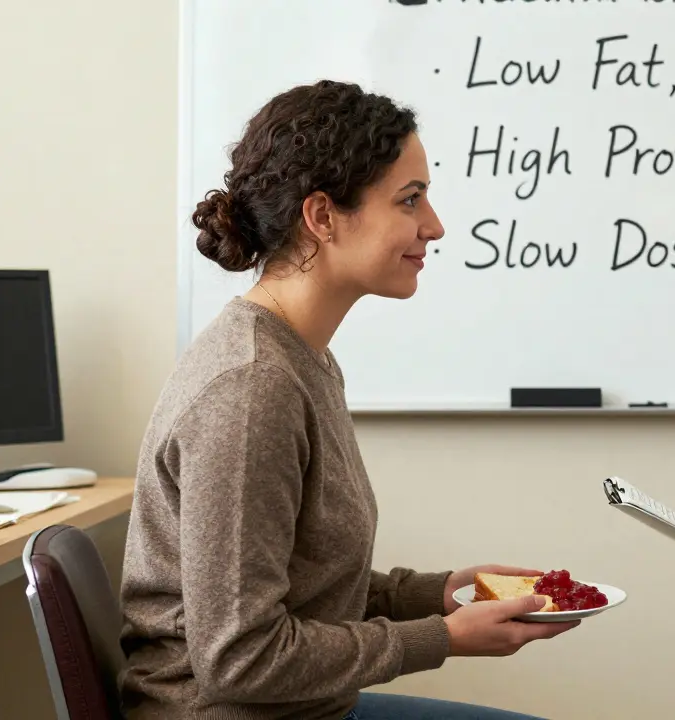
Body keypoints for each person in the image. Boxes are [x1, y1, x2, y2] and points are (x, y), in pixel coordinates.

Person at [118, 80, 577, 720]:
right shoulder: (252, 390)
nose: (435, 226)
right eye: (409, 200)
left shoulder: (301, 358)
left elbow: (301, 588)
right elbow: (239, 659)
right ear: (323, 216)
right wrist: (444, 639)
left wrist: (438, 595)